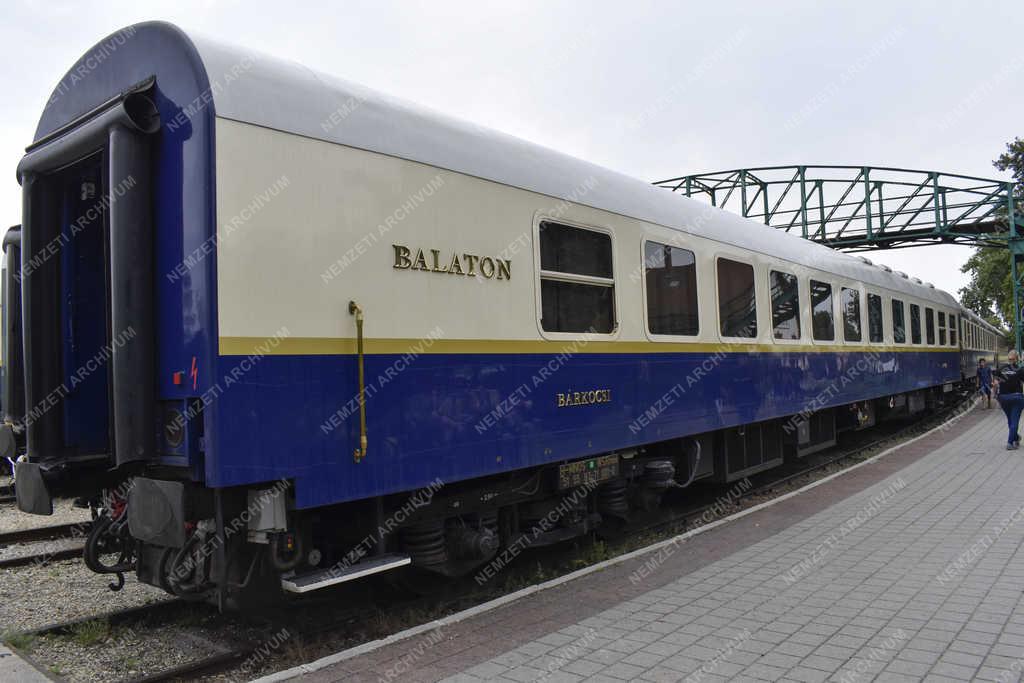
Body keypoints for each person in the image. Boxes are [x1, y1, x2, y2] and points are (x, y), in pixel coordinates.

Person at [995, 350, 1024, 450]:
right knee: (1014, 420)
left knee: (1010, 420)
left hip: (1003, 398)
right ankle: (1010, 443)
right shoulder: (1020, 369)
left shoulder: (1001, 368)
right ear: (1017, 358)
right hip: (1017, 398)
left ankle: (1016, 437)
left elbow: (995, 379)